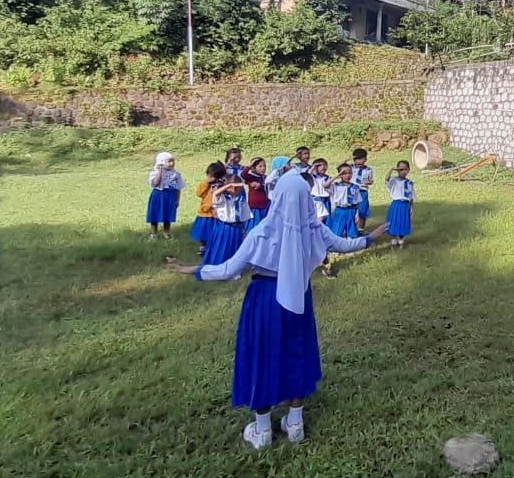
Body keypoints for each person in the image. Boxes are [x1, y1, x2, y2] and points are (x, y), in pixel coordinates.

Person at [166, 170, 388, 449]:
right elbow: (344, 245)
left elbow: (228, 269)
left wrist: (191, 270)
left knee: (263, 356)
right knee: (298, 352)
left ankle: (262, 430)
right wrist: (371, 238)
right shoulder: (314, 228)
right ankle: (295, 424)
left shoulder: (263, 232)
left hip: (264, 300)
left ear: (278, 196)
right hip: (298, 296)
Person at [200, 163, 248, 266]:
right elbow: (215, 193)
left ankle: (234, 267)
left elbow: (244, 216)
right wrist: (228, 185)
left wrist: (243, 229)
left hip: (237, 227)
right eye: (232, 187)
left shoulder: (241, 199)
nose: (235, 190)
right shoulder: (222, 198)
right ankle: (218, 265)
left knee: (234, 248)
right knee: (222, 247)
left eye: (237, 187)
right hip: (224, 228)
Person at [146, 152, 185, 241]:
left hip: (170, 196)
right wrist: (160, 171)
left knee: (168, 214)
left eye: (173, 161)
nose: (172, 163)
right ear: (161, 162)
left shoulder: (176, 174)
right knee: (154, 214)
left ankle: (167, 232)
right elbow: (155, 183)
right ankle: (153, 234)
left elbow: (178, 188)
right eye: (169, 161)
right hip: (158, 195)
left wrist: (177, 200)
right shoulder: (154, 173)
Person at [190, 162, 223, 256]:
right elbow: (199, 194)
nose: (211, 178)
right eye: (209, 175)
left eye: (213, 176)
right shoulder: (205, 184)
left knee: (214, 231)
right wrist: (206, 183)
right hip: (205, 212)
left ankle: (213, 246)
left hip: (216, 212)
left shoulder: (221, 185)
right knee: (203, 231)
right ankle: (203, 246)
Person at [384, 160, 415, 248]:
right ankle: (394, 241)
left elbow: (411, 196)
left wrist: (412, 207)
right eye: (400, 169)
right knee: (394, 222)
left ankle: (401, 241)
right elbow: (386, 178)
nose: (403, 171)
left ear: (408, 170)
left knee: (403, 222)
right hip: (396, 204)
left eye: (405, 169)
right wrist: (392, 169)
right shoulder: (394, 180)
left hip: (405, 205)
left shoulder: (410, 183)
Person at [328, 163, 360, 239]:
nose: (347, 176)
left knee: (351, 228)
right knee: (337, 228)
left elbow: (357, 201)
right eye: (344, 173)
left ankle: (350, 246)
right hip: (340, 210)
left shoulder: (355, 187)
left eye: (349, 173)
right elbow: (325, 185)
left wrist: (357, 214)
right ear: (340, 175)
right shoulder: (335, 186)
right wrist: (336, 176)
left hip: (351, 210)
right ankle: (336, 248)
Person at [243, 157, 270, 232]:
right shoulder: (251, 177)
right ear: (253, 168)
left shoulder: (266, 178)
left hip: (265, 205)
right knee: (253, 227)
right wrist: (249, 166)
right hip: (255, 206)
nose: (263, 168)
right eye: (260, 166)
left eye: (264, 166)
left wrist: (260, 186)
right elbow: (243, 174)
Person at [351, 148, 373, 231]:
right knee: (351, 210)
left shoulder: (368, 170)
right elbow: (339, 168)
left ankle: (360, 229)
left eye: (361, 159)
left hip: (362, 192)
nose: (359, 161)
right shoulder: (350, 167)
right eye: (356, 159)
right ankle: (351, 228)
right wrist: (346, 160)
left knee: (362, 211)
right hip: (352, 191)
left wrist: (369, 182)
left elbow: (371, 180)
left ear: (365, 159)